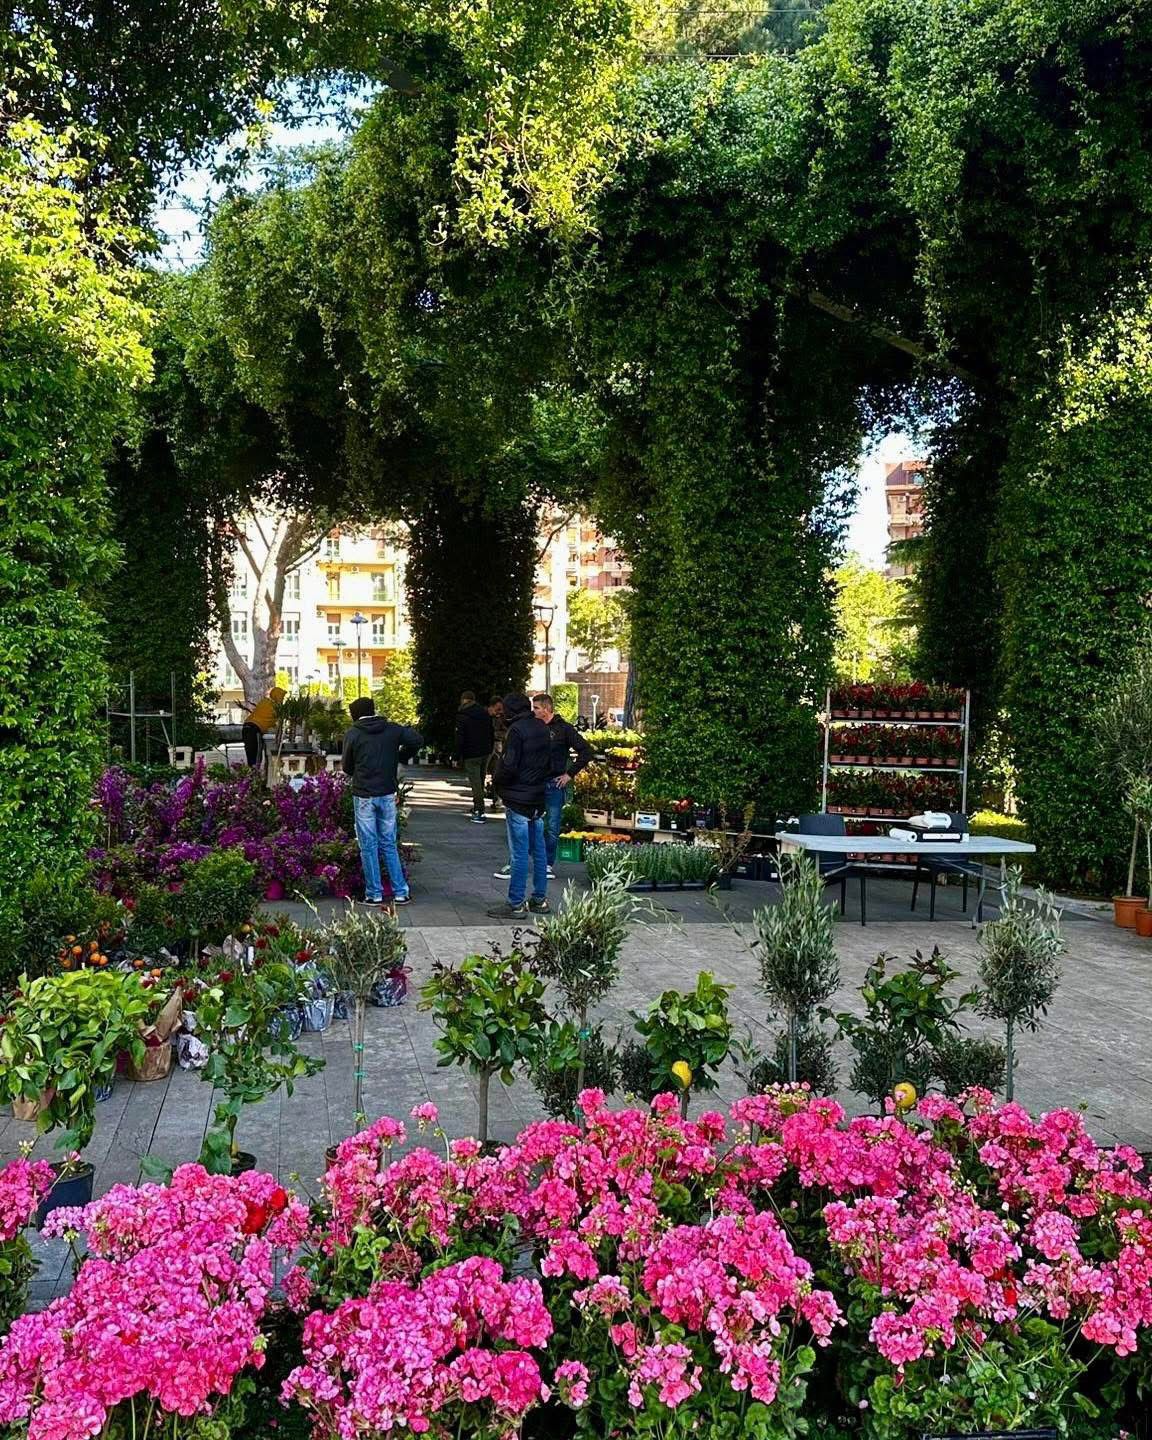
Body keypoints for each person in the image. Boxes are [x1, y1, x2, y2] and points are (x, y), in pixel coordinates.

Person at [342, 696, 423, 906]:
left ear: (355, 715)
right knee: (389, 843)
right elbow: (416, 740)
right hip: (387, 793)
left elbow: (346, 767)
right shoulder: (392, 729)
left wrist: (359, 771)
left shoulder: (353, 733)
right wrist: (402, 757)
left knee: (368, 845)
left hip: (364, 795)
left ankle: (374, 893)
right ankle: (400, 892)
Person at [486, 693, 550, 919]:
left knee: (519, 854)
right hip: (538, 797)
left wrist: (496, 780)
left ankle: (515, 903)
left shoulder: (517, 731)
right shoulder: (542, 727)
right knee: (539, 852)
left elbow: (510, 764)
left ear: (511, 711)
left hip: (518, 798)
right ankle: (539, 899)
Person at [532, 693, 594, 870]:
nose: (533, 711)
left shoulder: (563, 729)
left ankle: (547, 864)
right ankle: (519, 861)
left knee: (552, 825)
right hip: (534, 782)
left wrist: (569, 774)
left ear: (546, 708)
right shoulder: (532, 726)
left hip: (554, 782)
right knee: (527, 822)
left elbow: (586, 751)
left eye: (536, 708)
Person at [455, 690, 495, 824]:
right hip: (485, 751)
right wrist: (490, 748)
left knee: (475, 782)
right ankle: (478, 807)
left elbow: (460, 737)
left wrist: (457, 755)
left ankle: (479, 810)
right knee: (481, 779)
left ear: (463, 700)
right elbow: (491, 731)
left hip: (471, 753)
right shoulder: (484, 713)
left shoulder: (462, 715)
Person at [241, 686, 285, 770]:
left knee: (250, 755)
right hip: (254, 730)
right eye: (282, 697)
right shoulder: (275, 708)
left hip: (246, 727)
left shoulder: (264, 702)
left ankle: (251, 777)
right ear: (277, 696)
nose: (282, 700)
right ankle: (255, 778)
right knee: (257, 756)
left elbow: (266, 719)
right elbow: (276, 725)